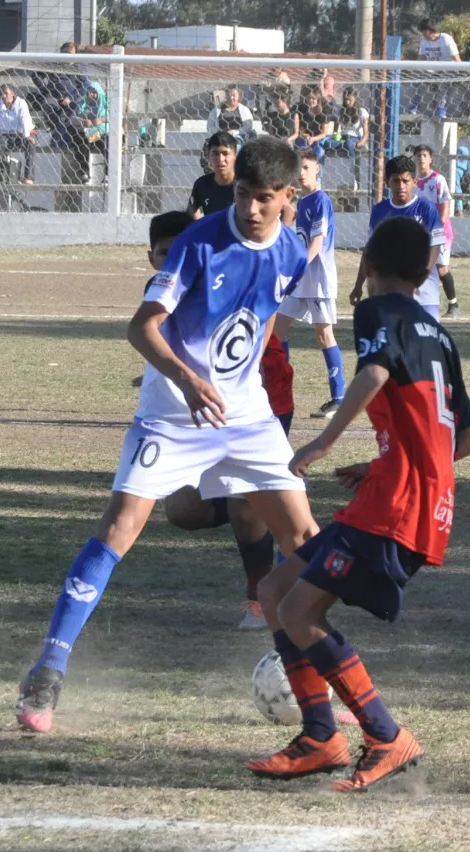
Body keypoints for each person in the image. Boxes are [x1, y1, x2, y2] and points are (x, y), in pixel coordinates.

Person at [15, 137, 320, 734]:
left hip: (246, 417)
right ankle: (48, 671)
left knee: (307, 537)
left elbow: (256, 329)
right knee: (119, 527)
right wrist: (187, 379)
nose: (250, 209)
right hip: (171, 414)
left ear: (288, 198)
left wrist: (242, 386)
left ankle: (315, 668)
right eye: (241, 195)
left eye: (263, 199)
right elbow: (142, 327)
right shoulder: (197, 244)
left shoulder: (290, 253)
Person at [246, 215, 470, 792]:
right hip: (408, 498)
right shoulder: (439, 334)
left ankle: (385, 735)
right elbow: (467, 440)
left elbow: (375, 371)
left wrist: (325, 442)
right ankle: (322, 737)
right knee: (276, 592)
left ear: (368, 266)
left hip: (397, 507)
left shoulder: (376, 312)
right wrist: (387, 462)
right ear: (427, 271)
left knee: (300, 612)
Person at [141, 211, 295, 632]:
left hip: (257, 404)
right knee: (184, 511)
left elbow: (260, 325)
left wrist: (245, 374)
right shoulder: (161, 292)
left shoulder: (229, 263)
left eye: (179, 251)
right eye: (164, 253)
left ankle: (260, 598)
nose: (173, 259)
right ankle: (264, 505)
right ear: (152, 257)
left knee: (246, 504)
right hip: (199, 411)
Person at [275, 148, 345, 419]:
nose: (301, 173)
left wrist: (300, 265)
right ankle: (277, 389)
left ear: (317, 169)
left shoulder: (320, 201)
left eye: (306, 168)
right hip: (301, 278)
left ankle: (338, 398)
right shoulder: (303, 203)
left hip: (317, 279)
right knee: (276, 331)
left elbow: (317, 240)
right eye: (298, 169)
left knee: (324, 335)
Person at [351, 155, 445, 318]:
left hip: (424, 291)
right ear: (387, 182)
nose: (401, 186)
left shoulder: (427, 209)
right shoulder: (380, 211)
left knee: (427, 338)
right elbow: (369, 251)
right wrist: (358, 285)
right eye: (396, 181)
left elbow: (434, 247)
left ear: (415, 182)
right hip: (390, 291)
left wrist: (421, 277)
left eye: (405, 181)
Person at [414, 145, 461, 319]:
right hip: (422, 231)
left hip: (439, 230)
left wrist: (438, 225)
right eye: (418, 155)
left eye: (424, 155)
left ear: (431, 158)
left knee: (441, 268)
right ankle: (424, 303)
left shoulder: (437, 180)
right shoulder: (415, 182)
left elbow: (446, 203)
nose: (421, 159)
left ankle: (454, 304)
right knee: (422, 266)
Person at [0, 84, 37, 185]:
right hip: (7, 134)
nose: (3, 96)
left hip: (23, 132)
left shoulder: (21, 103)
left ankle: (28, 177)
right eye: (1, 93)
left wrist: (27, 136)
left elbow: (25, 120)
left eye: (6, 93)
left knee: (30, 144)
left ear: (13, 94)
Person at [416, 18, 460, 119]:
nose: (422, 35)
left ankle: (441, 108)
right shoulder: (424, 40)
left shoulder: (446, 39)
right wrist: (415, 69)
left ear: (428, 31)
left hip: (448, 70)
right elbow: (420, 58)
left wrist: (466, 72)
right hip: (432, 70)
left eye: (423, 32)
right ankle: (415, 105)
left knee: (442, 81)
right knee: (418, 78)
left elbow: (457, 59)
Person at [67, 81, 109, 185]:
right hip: (90, 135)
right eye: (90, 92)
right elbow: (72, 119)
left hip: (102, 133)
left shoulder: (106, 104)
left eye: (94, 92)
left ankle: (108, 175)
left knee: (109, 145)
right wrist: (83, 122)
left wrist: (101, 120)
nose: (92, 95)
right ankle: (84, 174)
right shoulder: (83, 104)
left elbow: (116, 116)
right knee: (80, 142)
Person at [188, 132, 237, 218]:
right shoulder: (202, 184)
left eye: (225, 153)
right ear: (208, 156)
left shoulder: (245, 185)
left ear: (235, 156)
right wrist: (200, 227)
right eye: (215, 153)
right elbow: (191, 210)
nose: (220, 159)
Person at [288, 86, 334, 166]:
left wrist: (313, 139)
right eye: (309, 98)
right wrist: (304, 135)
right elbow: (301, 128)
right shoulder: (303, 109)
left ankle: (318, 173)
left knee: (319, 152)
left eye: (313, 99)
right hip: (307, 137)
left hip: (319, 137)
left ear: (318, 100)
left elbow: (324, 133)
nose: (310, 101)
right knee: (300, 149)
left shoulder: (324, 112)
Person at [326, 88, 370, 159]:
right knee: (328, 143)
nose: (347, 101)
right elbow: (336, 127)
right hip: (343, 137)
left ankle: (353, 162)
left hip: (355, 138)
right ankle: (344, 147)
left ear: (355, 98)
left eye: (349, 99)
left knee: (348, 143)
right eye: (345, 99)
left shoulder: (362, 112)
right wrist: (335, 136)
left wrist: (362, 142)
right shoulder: (341, 111)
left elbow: (366, 132)